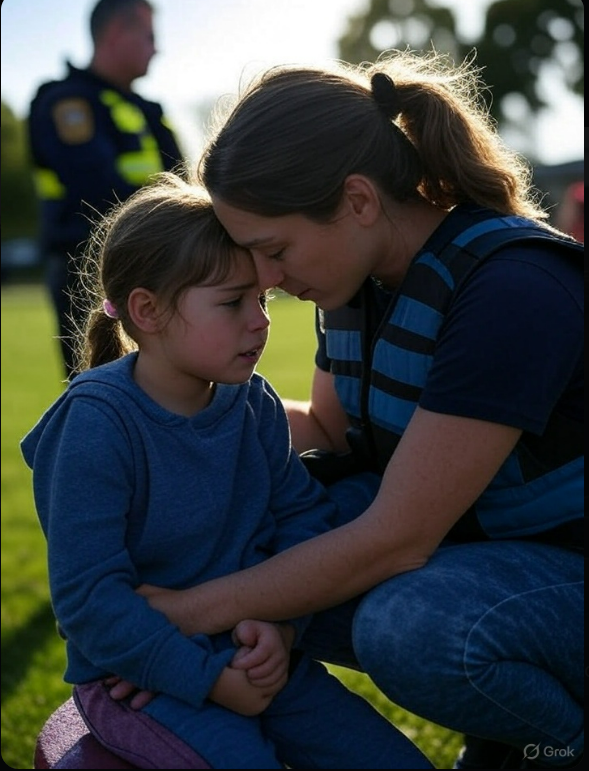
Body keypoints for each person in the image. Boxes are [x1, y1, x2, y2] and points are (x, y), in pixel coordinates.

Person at [123, 51, 584, 769]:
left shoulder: (510, 288)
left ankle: (555, 748)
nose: (266, 279)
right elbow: (332, 431)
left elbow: (396, 536)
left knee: (415, 628)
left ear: (358, 200)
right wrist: (159, 421)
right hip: (486, 556)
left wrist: (185, 611)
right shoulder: (355, 285)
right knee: (229, 534)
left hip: (564, 567)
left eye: (273, 250)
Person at [20, 172, 433, 770]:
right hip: (139, 682)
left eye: (261, 299)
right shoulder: (97, 424)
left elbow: (304, 518)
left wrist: (281, 629)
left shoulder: (252, 403)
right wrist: (206, 680)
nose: (261, 320)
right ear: (147, 310)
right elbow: (89, 603)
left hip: (260, 660)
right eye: (233, 301)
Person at [27, 0, 183, 381]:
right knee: (101, 395)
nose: (156, 48)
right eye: (148, 36)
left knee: (172, 396)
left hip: (161, 264)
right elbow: (96, 188)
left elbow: (185, 183)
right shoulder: (66, 102)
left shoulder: (148, 109)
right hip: (88, 270)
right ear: (116, 34)